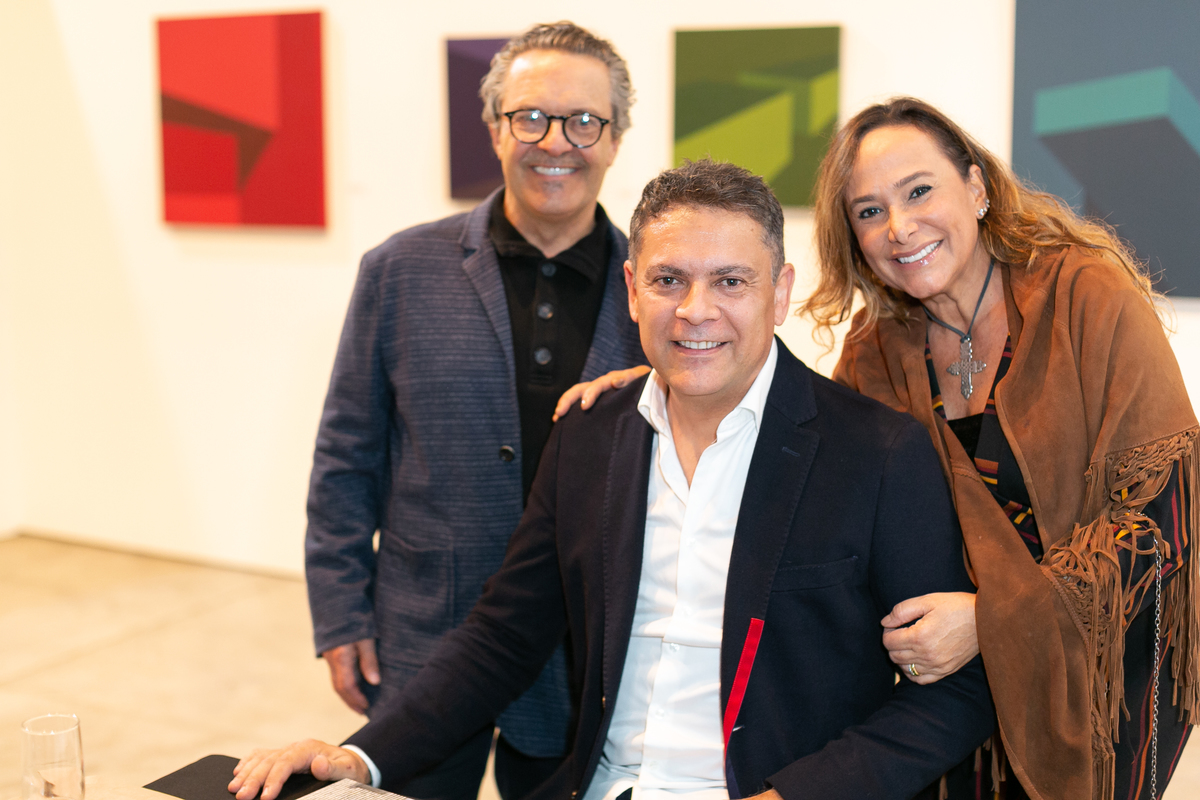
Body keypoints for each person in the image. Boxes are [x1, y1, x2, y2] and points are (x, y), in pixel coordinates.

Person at [229, 160, 994, 800]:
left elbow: (955, 695)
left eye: (731, 281)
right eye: (668, 280)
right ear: (632, 289)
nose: (695, 311)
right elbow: (503, 636)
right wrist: (359, 757)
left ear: (781, 291)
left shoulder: (878, 453)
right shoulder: (589, 435)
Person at [559, 98, 1200, 800]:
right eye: (869, 210)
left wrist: (992, 620)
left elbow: (1162, 519)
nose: (899, 227)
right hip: (954, 687)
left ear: (977, 188)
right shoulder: (877, 350)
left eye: (919, 191)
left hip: (1097, 674)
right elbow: (809, 453)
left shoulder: (1085, 296)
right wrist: (665, 380)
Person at [304, 21, 645, 800]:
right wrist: (340, 612)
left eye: (583, 120)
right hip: (422, 642)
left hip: (581, 655)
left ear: (615, 139)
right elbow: (346, 456)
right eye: (530, 117)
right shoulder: (398, 270)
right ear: (494, 128)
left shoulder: (656, 292)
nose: (555, 142)